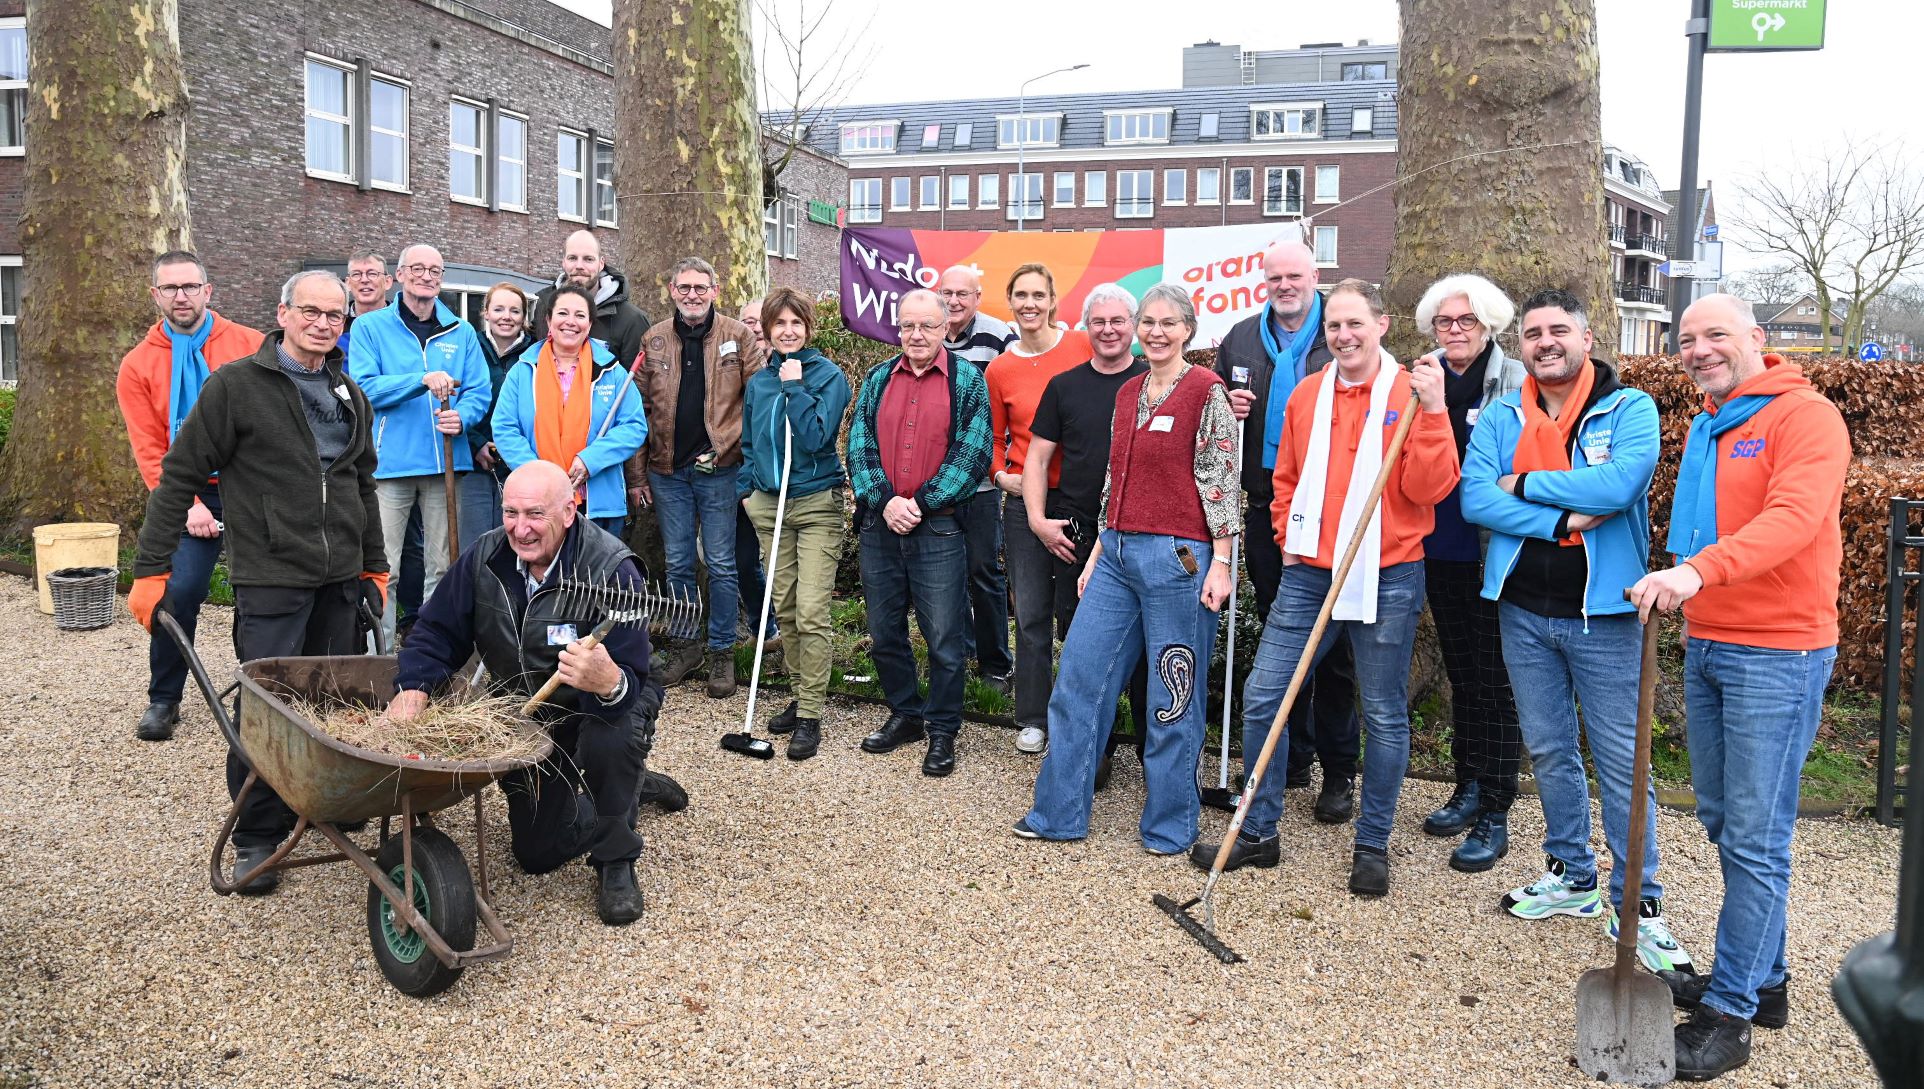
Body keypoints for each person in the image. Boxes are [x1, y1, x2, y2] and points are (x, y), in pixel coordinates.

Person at [1631, 294, 1851, 1081]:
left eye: (1716, 334)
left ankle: (1730, 1014)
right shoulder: (1708, 423)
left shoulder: (1806, 418)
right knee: (1728, 823)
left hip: (1779, 654)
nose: (1699, 349)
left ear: (1756, 339)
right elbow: (1702, 527)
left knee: (1757, 838)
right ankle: (1768, 980)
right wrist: (1683, 580)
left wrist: (1694, 571)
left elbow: (1792, 519)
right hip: (1711, 641)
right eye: (1686, 339)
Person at [1193, 279, 1454, 898]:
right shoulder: (1308, 394)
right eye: (1334, 326)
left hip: (1388, 569)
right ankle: (1259, 832)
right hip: (1310, 570)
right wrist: (1288, 534)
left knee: (1384, 713)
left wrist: (1437, 412)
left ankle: (1373, 843)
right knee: (1263, 697)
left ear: (1382, 324)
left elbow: (1431, 489)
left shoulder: (1410, 396)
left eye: (1354, 323)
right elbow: (1285, 475)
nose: (1343, 335)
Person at [128, 270, 385, 894]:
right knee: (266, 711)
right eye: (312, 311)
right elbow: (179, 474)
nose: (324, 323)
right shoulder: (236, 387)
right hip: (272, 574)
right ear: (283, 313)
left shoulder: (348, 390)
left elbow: (362, 486)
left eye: (336, 315)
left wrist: (373, 565)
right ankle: (256, 835)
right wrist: (151, 570)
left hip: (340, 577)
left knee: (333, 702)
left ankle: (323, 803)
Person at [1460, 289, 1693, 976]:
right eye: (1533, 333)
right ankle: (1572, 874)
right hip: (1522, 609)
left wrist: (1523, 485)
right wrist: (1559, 520)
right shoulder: (1503, 411)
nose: (1545, 341)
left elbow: (1618, 488)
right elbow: (1475, 495)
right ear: (1522, 345)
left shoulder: (1630, 408)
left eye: (1558, 329)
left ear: (1587, 338)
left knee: (1624, 762)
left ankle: (1639, 901)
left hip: (1608, 615)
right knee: (1551, 748)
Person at [389, 460, 660, 927]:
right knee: (536, 855)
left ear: (570, 511)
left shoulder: (612, 568)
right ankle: (624, 789)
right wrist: (414, 688)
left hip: (601, 709)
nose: (521, 528)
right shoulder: (484, 558)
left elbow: (632, 679)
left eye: (535, 514)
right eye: (510, 512)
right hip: (528, 711)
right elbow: (436, 630)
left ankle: (616, 857)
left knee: (610, 741)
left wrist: (607, 681)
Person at [1014, 283, 1236, 853]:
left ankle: (1170, 825)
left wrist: (1223, 563)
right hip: (1114, 554)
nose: (1156, 332)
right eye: (1149, 323)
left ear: (1188, 329)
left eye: (1168, 323)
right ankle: (1059, 814)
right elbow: (1115, 483)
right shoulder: (1129, 392)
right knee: (1078, 685)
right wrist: (1095, 556)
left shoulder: (1205, 391)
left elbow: (1220, 481)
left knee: (1171, 697)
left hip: (1180, 560)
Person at [1214, 240, 1360, 823]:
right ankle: (1292, 755)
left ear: (1314, 275)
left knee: (1337, 650)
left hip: (1333, 512)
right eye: (1274, 277)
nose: (1284, 285)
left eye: (1294, 275)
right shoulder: (1241, 338)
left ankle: (1338, 771)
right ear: (1264, 281)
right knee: (1284, 638)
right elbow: (1217, 419)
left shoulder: (1341, 331)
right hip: (1265, 506)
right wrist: (1229, 406)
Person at [115, 250, 265, 742]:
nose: (181, 296)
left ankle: (261, 689)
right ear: (155, 295)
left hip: (249, 484)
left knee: (262, 588)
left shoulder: (251, 345)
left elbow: (272, 427)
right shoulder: (138, 365)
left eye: (189, 286)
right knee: (177, 593)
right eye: (170, 288)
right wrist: (189, 506)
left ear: (208, 290)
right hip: (186, 491)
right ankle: (165, 698)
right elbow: (151, 451)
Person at [845, 288, 992, 778]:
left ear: (946, 327)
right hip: (879, 526)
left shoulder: (968, 381)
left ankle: (943, 728)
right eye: (908, 325)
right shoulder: (877, 378)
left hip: (940, 530)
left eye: (927, 325)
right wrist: (884, 501)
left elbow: (972, 457)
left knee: (945, 637)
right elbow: (859, 446)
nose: (917, 335)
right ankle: (906, 713)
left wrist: (920, 503)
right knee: (885, 631)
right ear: (898, 328)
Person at [1410, 274, 1526, 870]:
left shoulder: (1513, 380)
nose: (1455, 331)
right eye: (1445, 322)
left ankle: (1497, 805)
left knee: (1497, 679)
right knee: (1462, 673)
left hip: (1495, 549)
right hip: (1439, 546)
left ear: (1489, 326)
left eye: (1467, 321)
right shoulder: (1422, 377)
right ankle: (1467, 786)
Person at [1024, 284, 1151, 789]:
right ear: (1086, 327)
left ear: (1135, 325)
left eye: (1119, 321)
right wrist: (1037, 519)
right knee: (1082, 651)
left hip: (1144, 535)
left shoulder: (1156, 381)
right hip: (1075, 537)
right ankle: (1093, 749)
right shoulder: (1065, 386)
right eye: (1099, 322)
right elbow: (1036, 458)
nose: (1109, 330)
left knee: (1146, 652)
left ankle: (1152, 754)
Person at [345, 243, 491, 645]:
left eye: (435, 271)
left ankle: (431, 653)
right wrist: (419, 380)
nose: (427, 277)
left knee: (443, 565)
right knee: (384, 566)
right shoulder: (370, 328)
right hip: (390, 464)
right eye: (418, 269)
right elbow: (362, 388)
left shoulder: (461, 332)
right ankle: (380, 656)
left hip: (446, 464)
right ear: (401, 275)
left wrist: (464, 416)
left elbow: (479, 389)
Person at [636, 257, 767, 697]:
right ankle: (685, 644)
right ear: (671, 289)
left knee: (722, 563)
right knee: (677, 563)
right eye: (684, 287)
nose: (692, 295)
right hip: (668, 471)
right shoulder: (653, 340)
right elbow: (639, 414)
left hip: (720, 470)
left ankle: (721, 652)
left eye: (700, 287)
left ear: (715, 289)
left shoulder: (738, 335)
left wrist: (737, 458)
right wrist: (638, 476)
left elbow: (759, 402)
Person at [738, 288, 853, 760]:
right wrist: (748, 489)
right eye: (779, 324)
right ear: (766, 329)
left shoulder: (827, 376)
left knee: (809, 610)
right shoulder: (758, 383)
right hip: (769, 505)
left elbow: (815, 435)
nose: (788, 331)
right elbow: (749, 440)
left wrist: (795, 386)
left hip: (814, 504)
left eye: (796, 323)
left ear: (808, 327)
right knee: (782, 607)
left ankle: (810, 713)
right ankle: (797, 692)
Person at [985, 263, 1092, 755]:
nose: (1029, 303)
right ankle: (1032, 715)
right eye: (1020, 294)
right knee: (1029, 614)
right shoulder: (1000, 368)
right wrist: (1000, 474)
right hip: (1024, 505)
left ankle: (1076, 711)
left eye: (1038, 295)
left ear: (1053, 301)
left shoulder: (1080, 349)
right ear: (1011, 303)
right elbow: (996, 438)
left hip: (1077, 503)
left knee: (1075, 613)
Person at [490, 283, 649, 540]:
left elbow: (634, 426)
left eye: (580, 315)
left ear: (589, 324)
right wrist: (539, 474)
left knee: (595, 579)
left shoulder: (612, 372)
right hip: (538, 504)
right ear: (548, 320)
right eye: (563, 313)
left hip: (599, 504)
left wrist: (591, 460)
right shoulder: (523, 371)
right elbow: (504, 428)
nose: (570, 322)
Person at [937, 264, 1016, 696]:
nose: (953, 301)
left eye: (962, 294)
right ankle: (960, 654)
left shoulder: (999, 337)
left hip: (982, 482)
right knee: (946, 573)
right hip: (938, 481)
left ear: (977, 297)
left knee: (984, 571)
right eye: (946, 292)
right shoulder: (928, 331)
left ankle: (996, 664)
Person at [461, 283, 535, 552]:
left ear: (524, 318)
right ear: (486, 313)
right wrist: (476, 442)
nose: (507, 316)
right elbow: (456, 401)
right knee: (475, 542)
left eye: (515, 311)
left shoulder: (535, 356)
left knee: (514, 541)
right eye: (499, 309)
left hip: (518, 462)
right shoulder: (469, 348)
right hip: (473, 462)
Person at [530, 229, 650, 368]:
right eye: (572, 258)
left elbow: (636, 384)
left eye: (588, 259)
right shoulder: (544, 306)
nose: (579, 266)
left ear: (601, 263)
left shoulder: (632, 320)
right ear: (564, 262)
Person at [734, 297, 776, 645]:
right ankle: (764, 627)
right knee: (744, 561)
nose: (757, 327)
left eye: (763, 320)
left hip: (782, 482)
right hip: (741, 478)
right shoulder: (729, 366)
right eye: (748, 321)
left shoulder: (791, 366)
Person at [335, 249, 393, 361]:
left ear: (387, 282)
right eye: (356, 274)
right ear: (348, 283)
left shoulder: (404, 324)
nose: (364, 280)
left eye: (372, 274)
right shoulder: (334, 325)